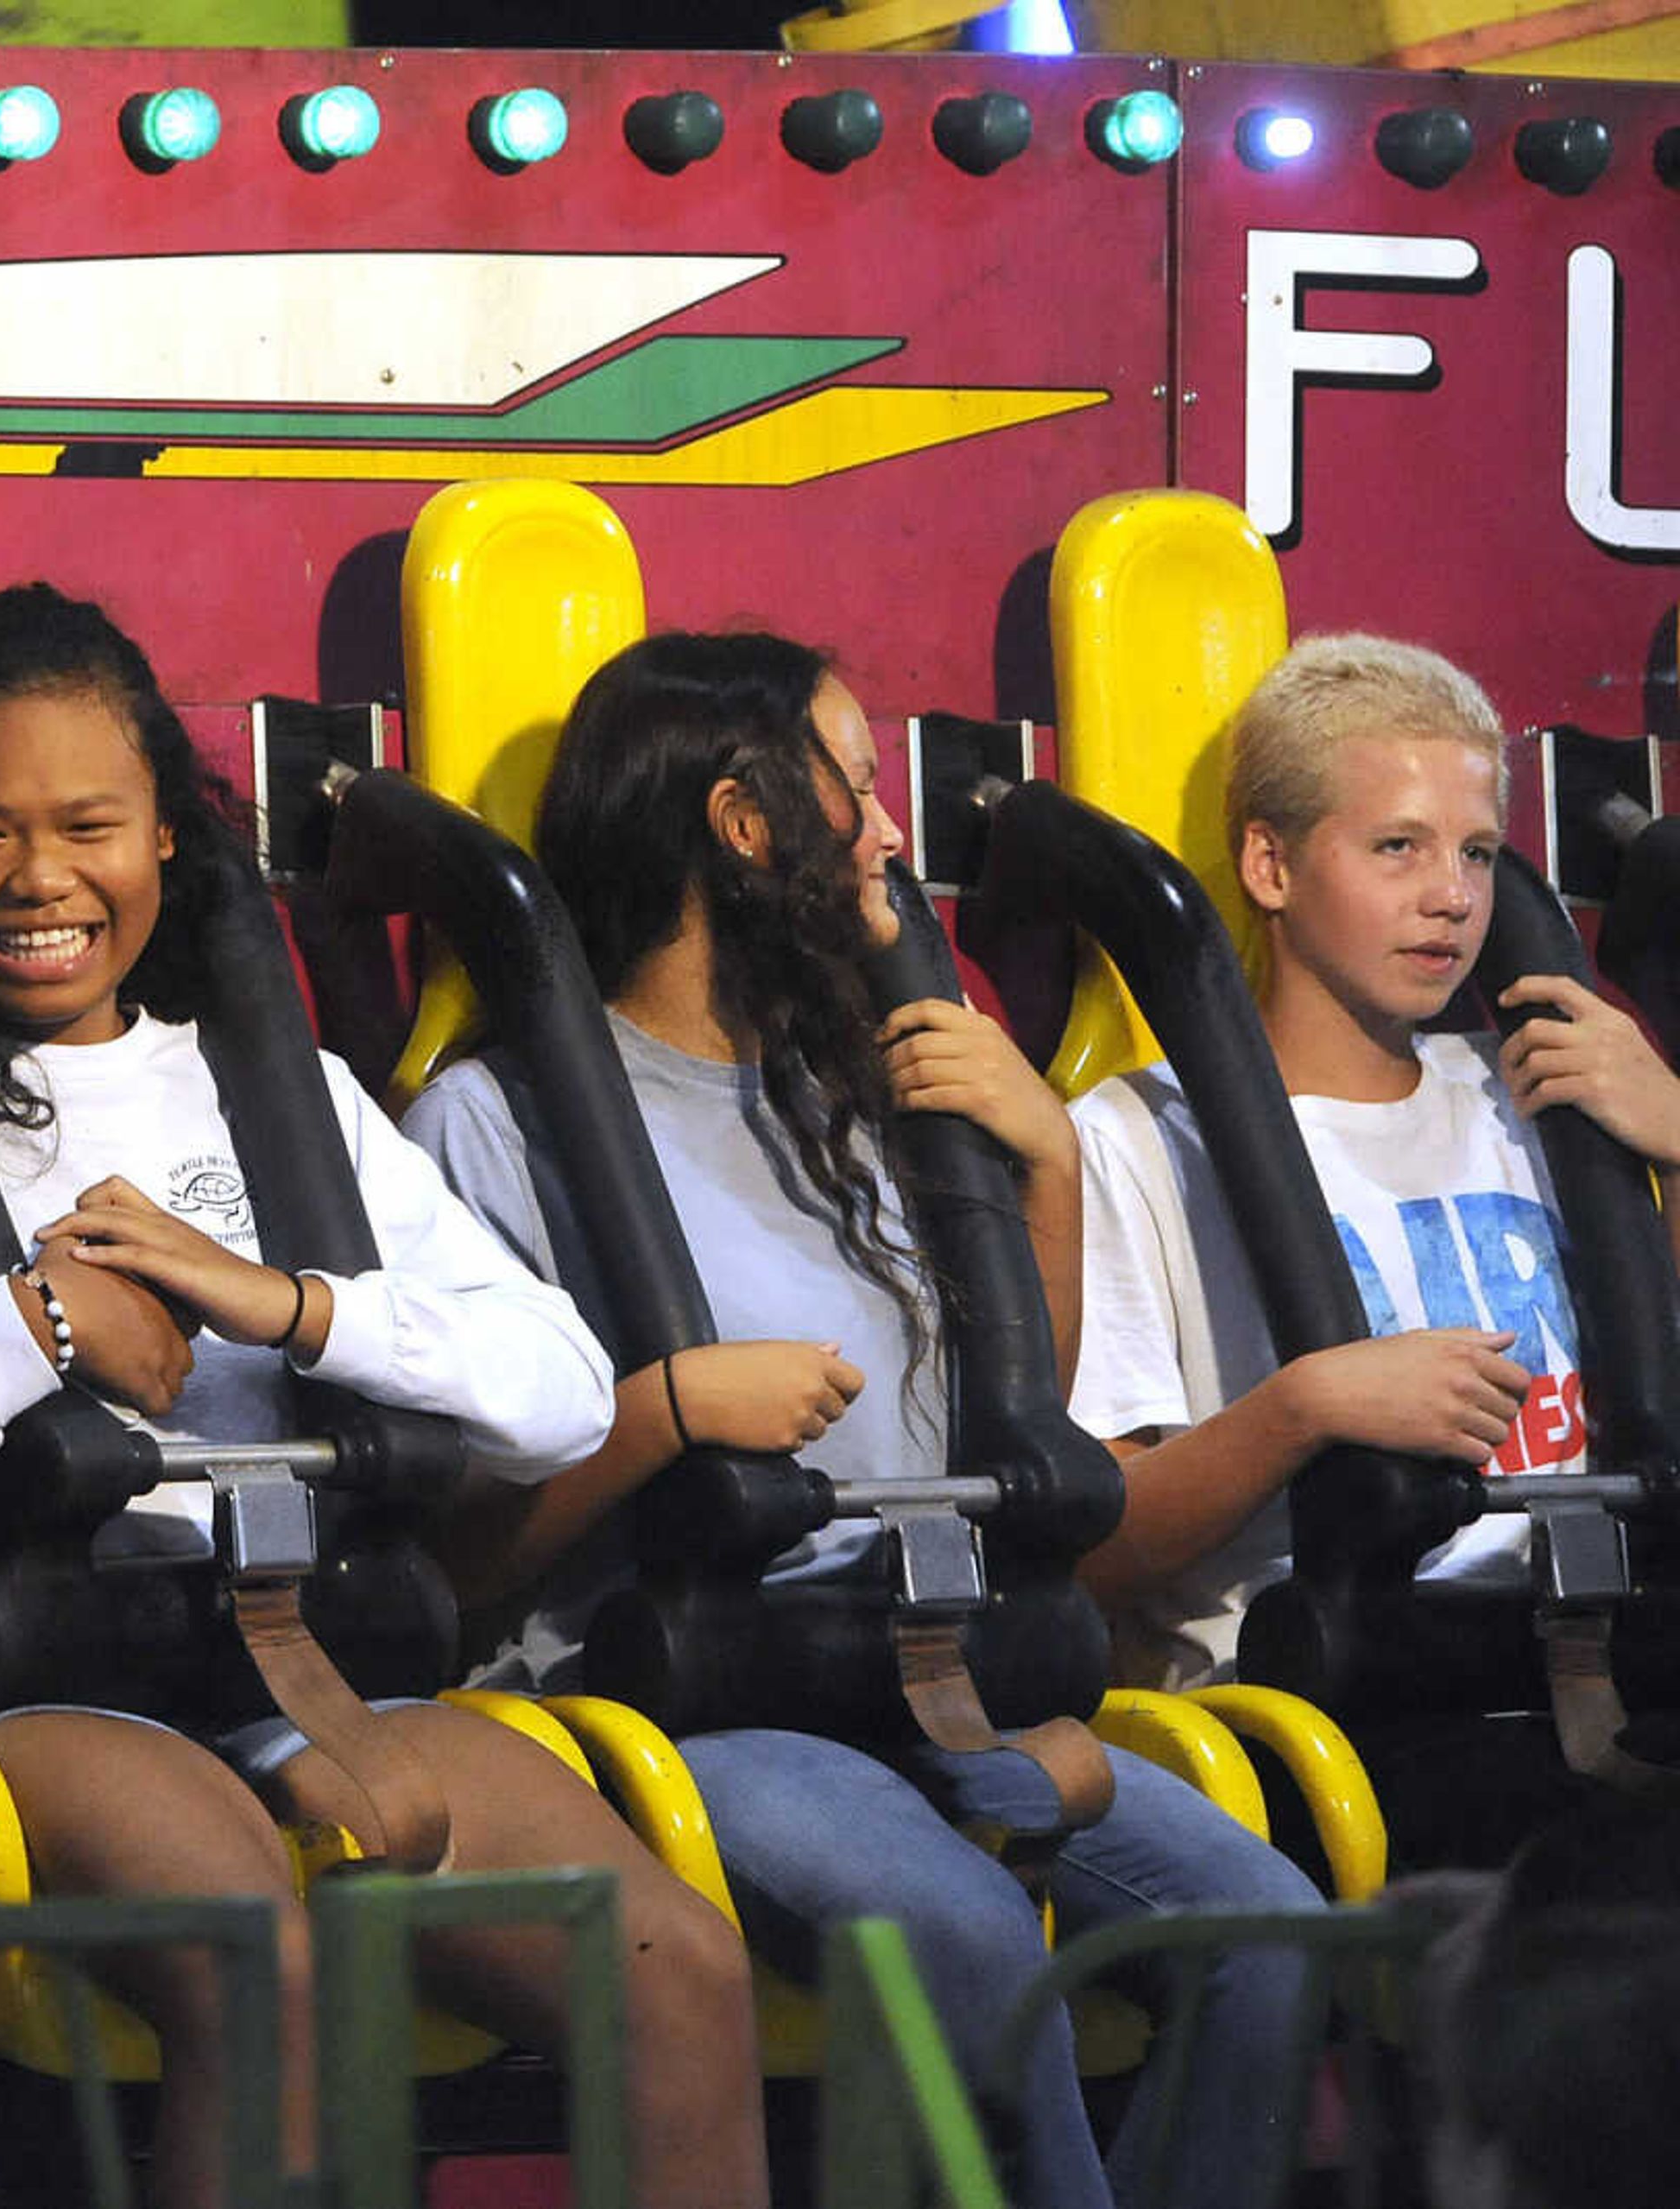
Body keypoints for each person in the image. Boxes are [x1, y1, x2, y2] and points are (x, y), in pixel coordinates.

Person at [0, 582, 766, 2209]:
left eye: (88, 826)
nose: (42, 879)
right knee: (252, 1944)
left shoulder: (272, 1085)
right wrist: (29, 1327)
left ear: (167, 842)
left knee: (676, 1968)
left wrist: (286, 1301)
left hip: (282, 1648)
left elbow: (556, 1394)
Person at [402, 630, 1323, 2209]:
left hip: (940, 1667)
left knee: (1267, 1941)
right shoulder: (496, 1118)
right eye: (858, 783)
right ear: (748, 825)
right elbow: (467, 1553)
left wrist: (1039, 1165)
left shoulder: (862, 1087)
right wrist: (667, 1412)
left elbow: (1003, 1421)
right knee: (965, 1940)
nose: (895, 829)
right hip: (694, 1696)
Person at [1065, 635, 1680, 1691]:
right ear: (1272, 864)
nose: (1451, 895)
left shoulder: (1538, 1079)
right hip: (1314, 1689)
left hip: (1605, 1650)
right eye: (1398, 846)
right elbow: (1093, 1552)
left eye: (1478, 853)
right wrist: (1302, 1408)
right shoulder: (1135, 1134)